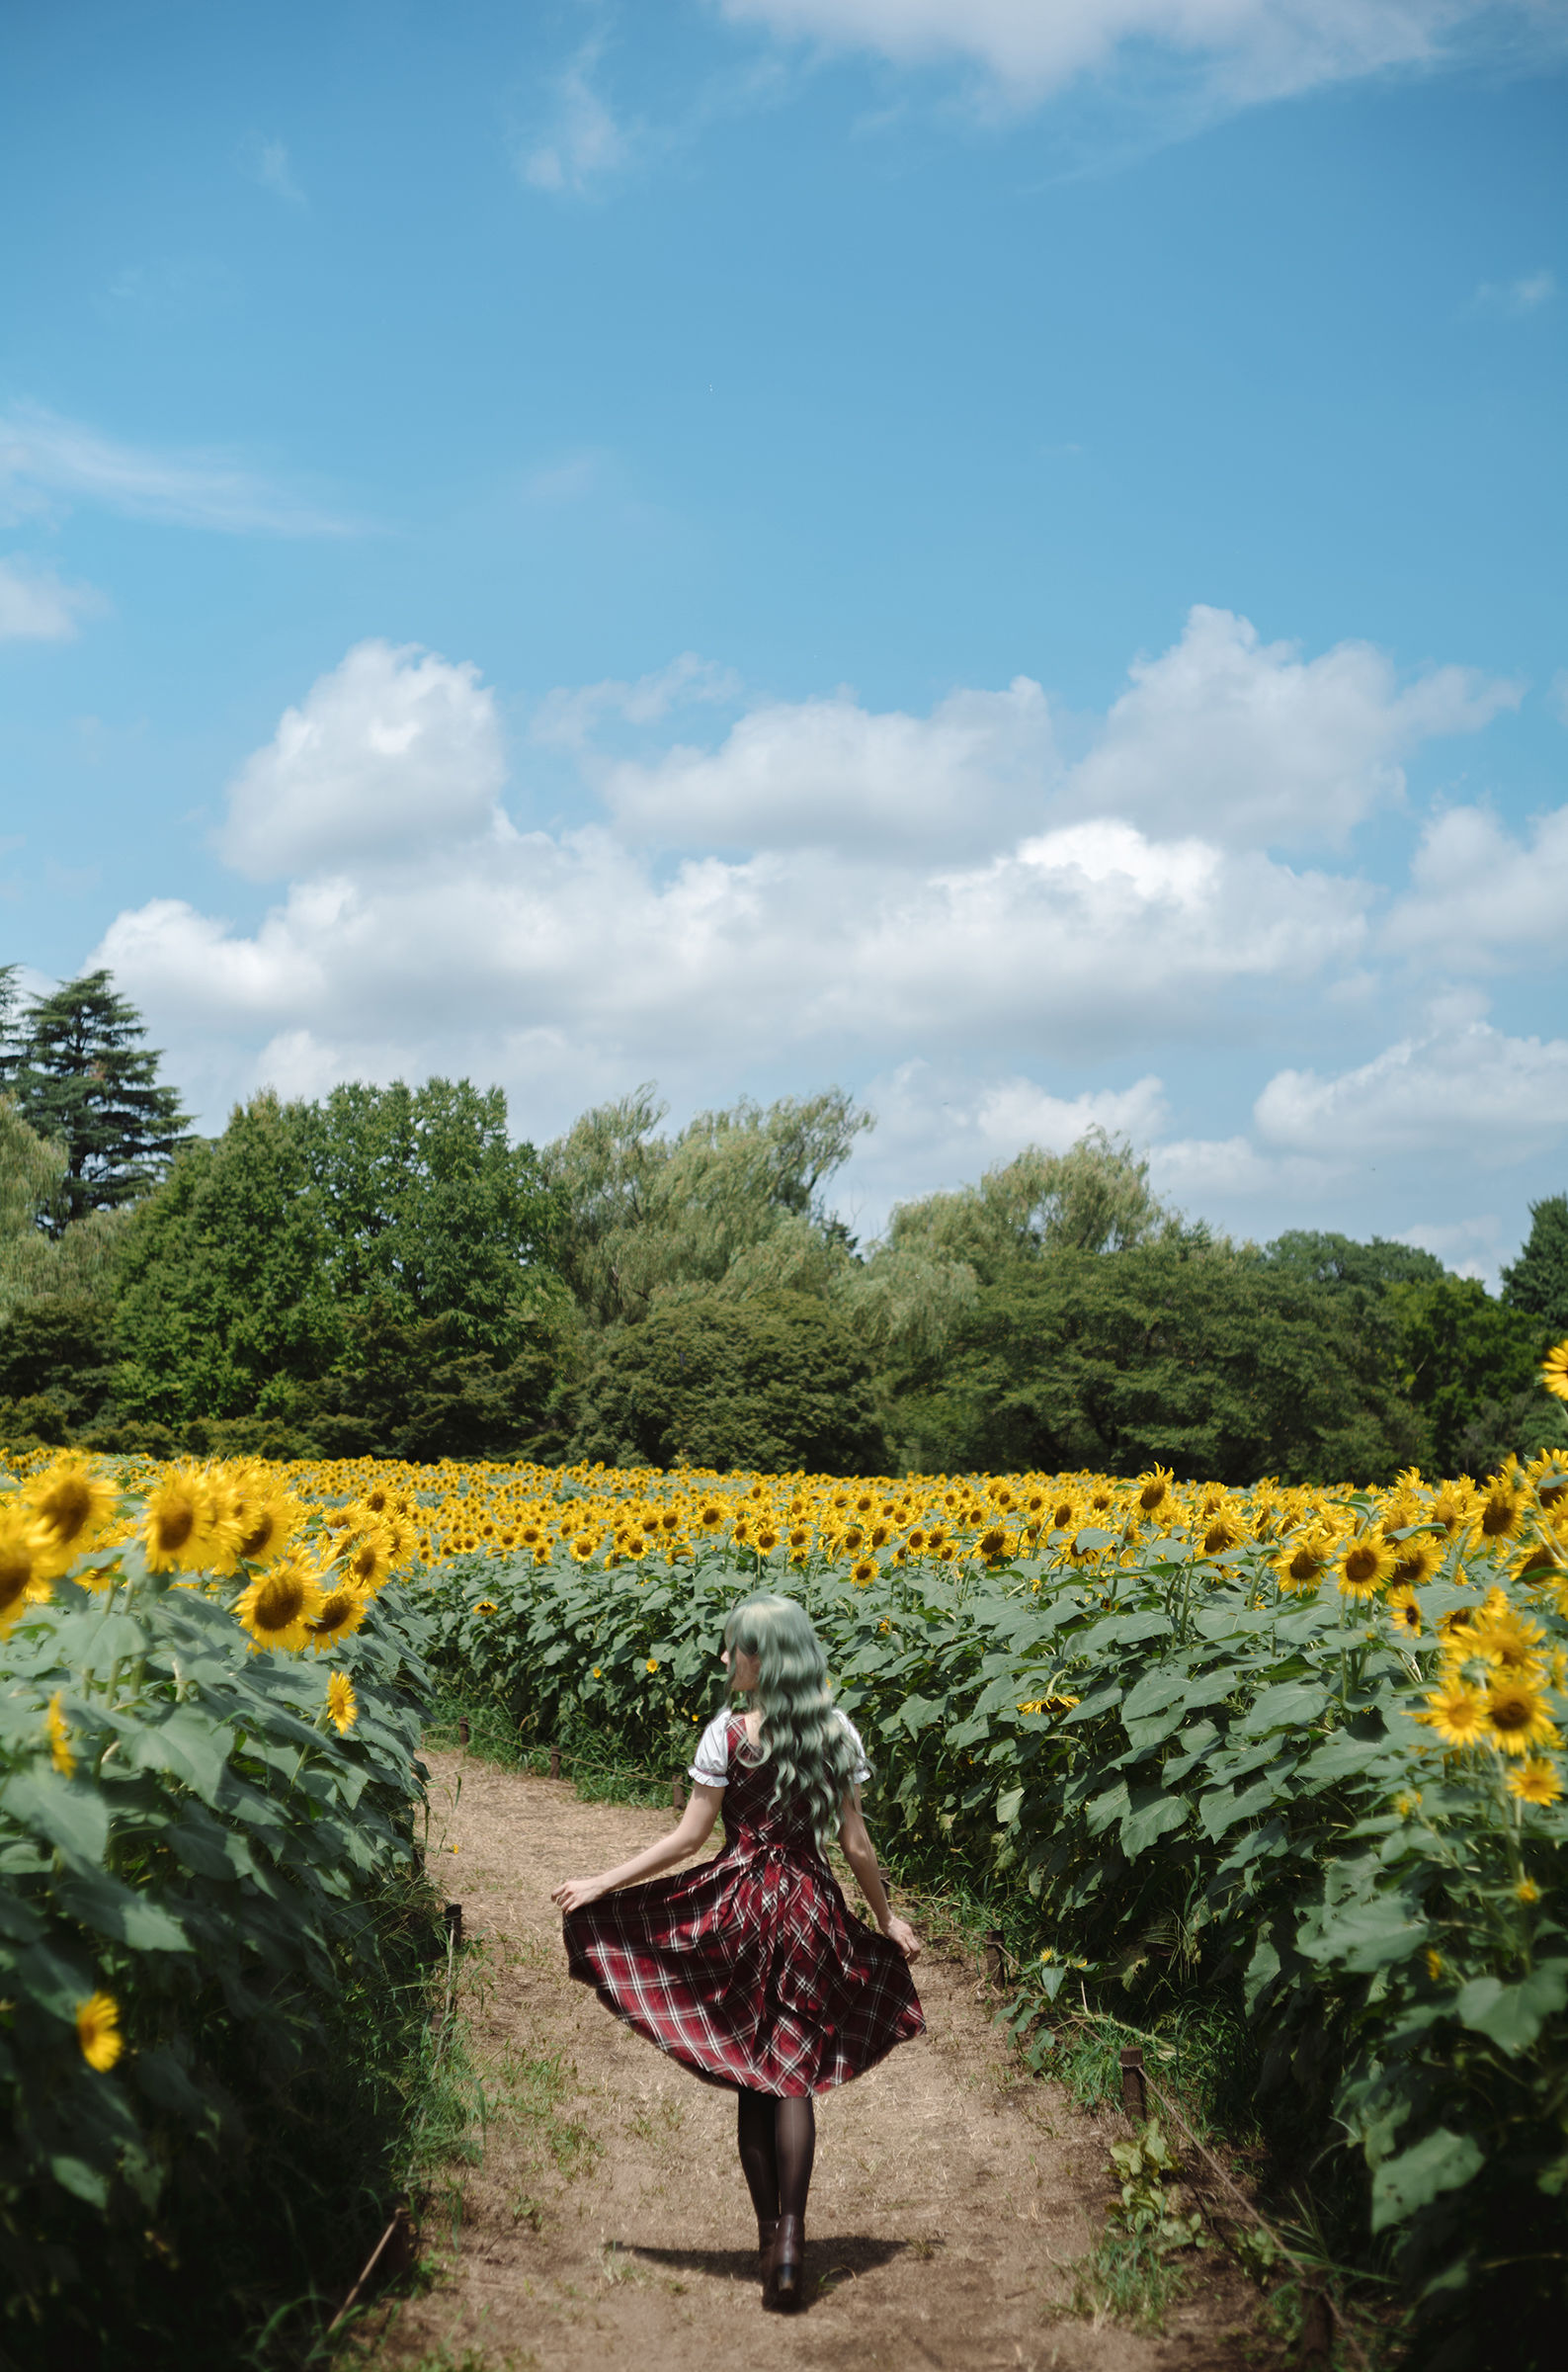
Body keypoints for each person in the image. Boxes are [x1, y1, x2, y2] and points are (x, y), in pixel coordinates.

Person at [551, 1591, 924, 2312]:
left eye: (736, 1648)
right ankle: (791, 2243)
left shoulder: (726, 1734)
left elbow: (687, 1839)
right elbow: (854, 1845)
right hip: (811, 1908)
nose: (725, 1660)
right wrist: (887, 1917)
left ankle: (768, 2240)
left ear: (766, 1656)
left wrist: (602, 1883)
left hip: (737, 1909)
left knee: (755, 2076)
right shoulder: (835, 1732)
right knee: (791, 2074)